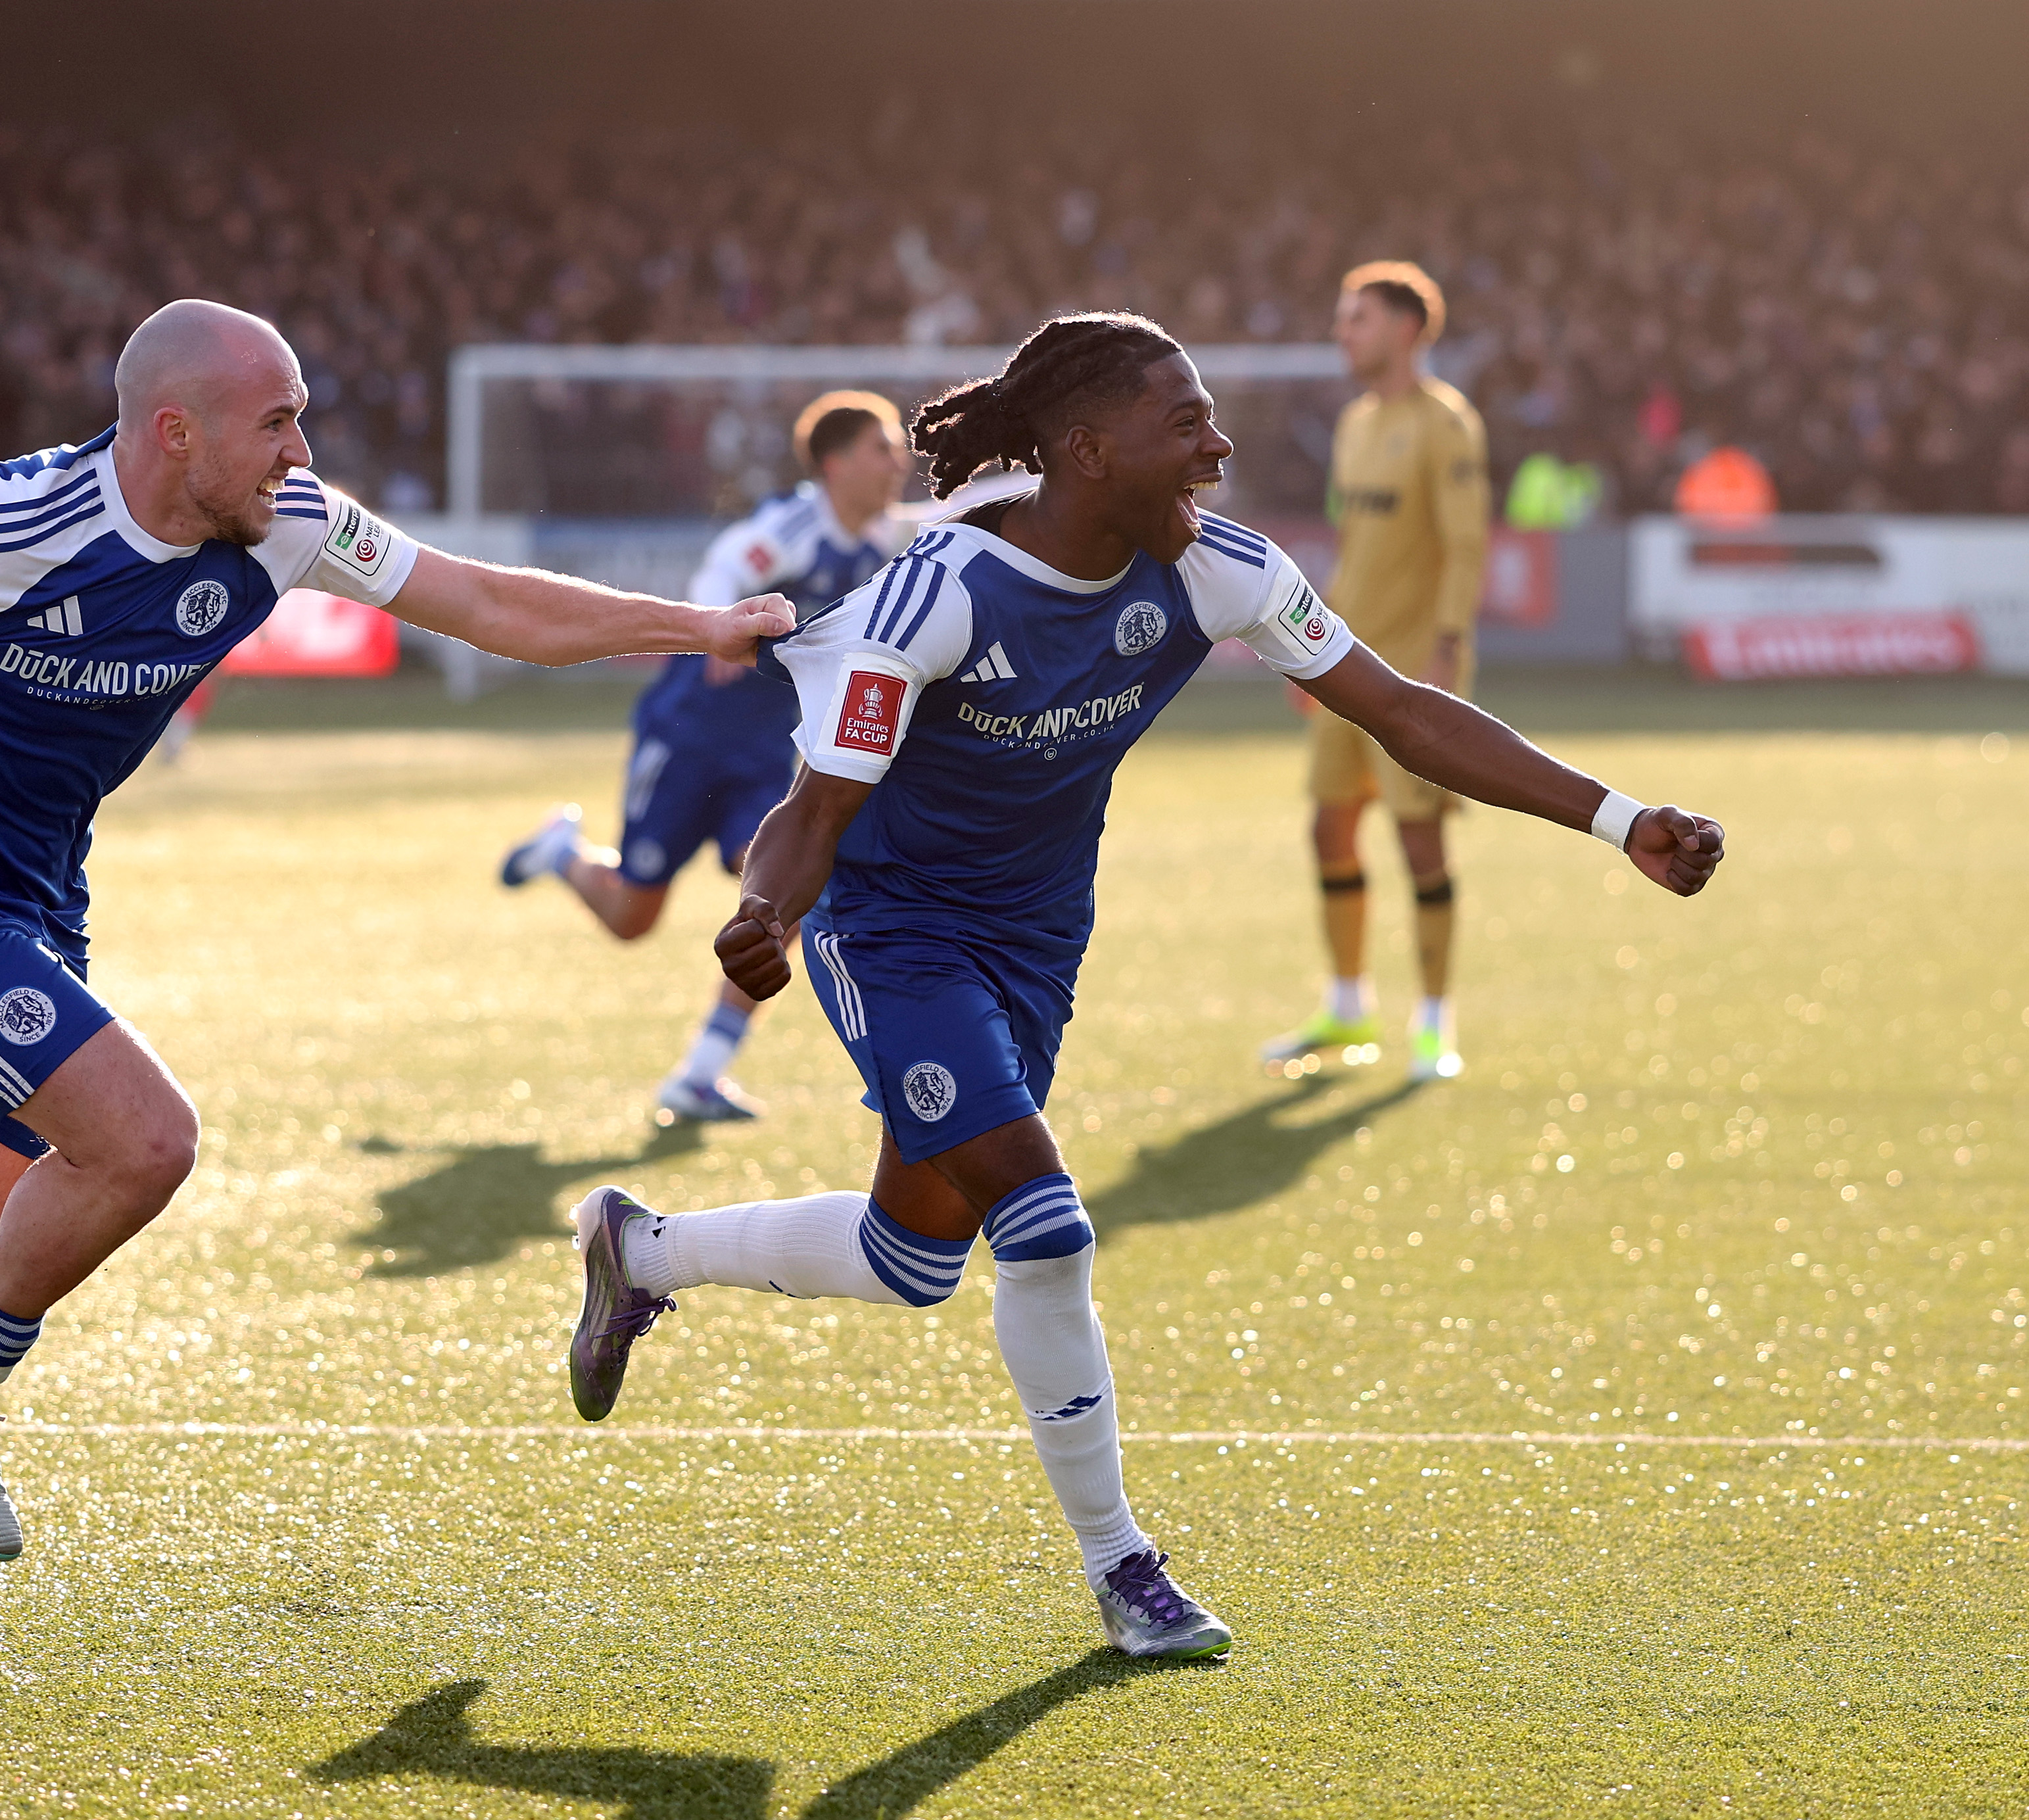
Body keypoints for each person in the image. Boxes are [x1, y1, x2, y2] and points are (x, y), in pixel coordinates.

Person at [0, 299, 795, 1625]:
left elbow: (490, 600)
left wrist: (698, 627)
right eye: (276, 420)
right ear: (178, 432)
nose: (300, 444)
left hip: (29, 900)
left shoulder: (289, 524)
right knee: (146, 1142)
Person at [561, 312, 1723, 1659]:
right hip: (894, 930)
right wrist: (765, 913)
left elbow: (1400, 708)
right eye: (1189, 424)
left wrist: (1618, 817)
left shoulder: (1219, 571)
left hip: (1038, 942)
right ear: (1086, 448)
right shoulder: (935, 595)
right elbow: (813, 810)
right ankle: (1128, 1573)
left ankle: (639, 1251)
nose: (1219, 447)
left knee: (913, 1260)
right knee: (1045, 1224)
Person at [500, 392, 911, 1122]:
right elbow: (723, 568)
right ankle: (565, 852)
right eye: (885, 446)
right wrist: (720, 621)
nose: (900, 459)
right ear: (838, 461)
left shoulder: (883, 542)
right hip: (687, 732)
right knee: (632, 916)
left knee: (779, 893)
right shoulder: (793, 525)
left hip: (762, 751)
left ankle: (700, 1072)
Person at [1262, 263, 1489, 1083]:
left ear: (1402, 327)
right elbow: (1352, 549)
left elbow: (1465, 544)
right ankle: (1347, 1006)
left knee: (1417, 838)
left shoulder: (1447, 425)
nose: (1342, 333)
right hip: (1345, 667)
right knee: (1329, 827)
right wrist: (1307, 650)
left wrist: (1448, 647)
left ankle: (1434, 1022)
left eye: (1356, 319)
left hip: (1412, 675)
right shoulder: (1355, 423)